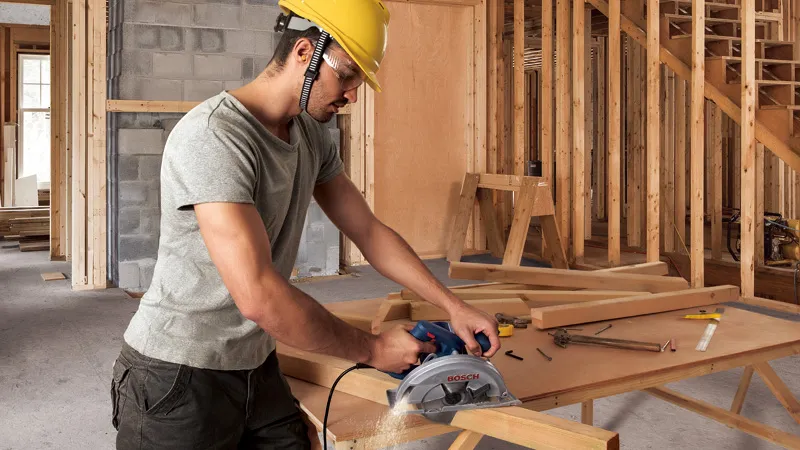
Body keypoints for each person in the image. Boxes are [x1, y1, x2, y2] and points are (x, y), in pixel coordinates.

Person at [109, 0, 501, 448]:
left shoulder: (310, 134)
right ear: (303, 53)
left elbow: (368, 232)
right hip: (178, 374)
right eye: (348, 75)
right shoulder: (215, 137)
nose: (353, 94)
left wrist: (454, 306)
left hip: (255, 363)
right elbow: (258, 295)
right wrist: (372, 349)